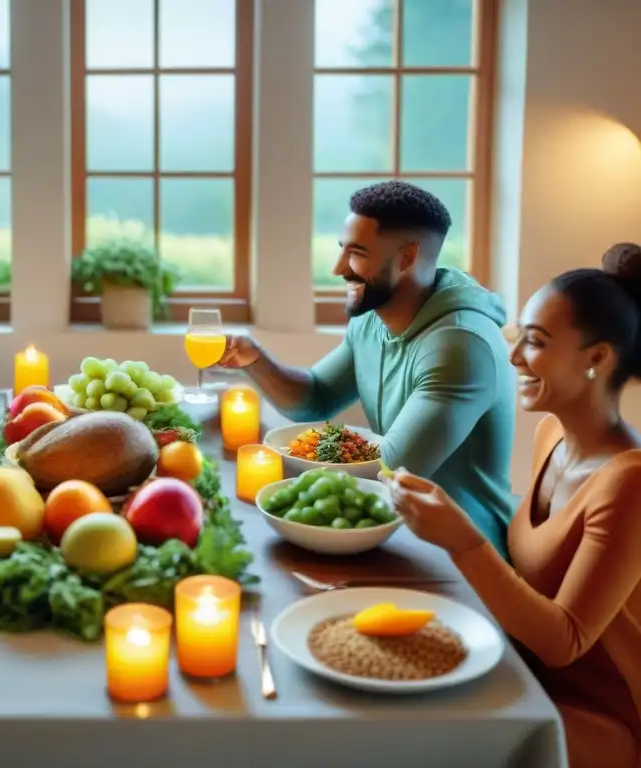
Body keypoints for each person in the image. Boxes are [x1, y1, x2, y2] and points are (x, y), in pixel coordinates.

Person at [384, 244, 641, 768]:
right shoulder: (551, 436)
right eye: (518, 336)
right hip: (522, 670)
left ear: (596, 359)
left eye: (536, 342)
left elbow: (565, 640)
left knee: (413, 733)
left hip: (602, 714)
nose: (514, 356)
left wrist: (462, 539)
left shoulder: (629, 483)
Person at [219, 180, 515, 556]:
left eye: (357, 253)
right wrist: (255, 359)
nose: (338, 267)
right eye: (342, 250)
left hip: (460, 557)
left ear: (408, 257)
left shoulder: (460, 345)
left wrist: (278, 478)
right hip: (388, 526)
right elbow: (315, 399)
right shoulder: (372, 318)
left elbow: (393, 469)